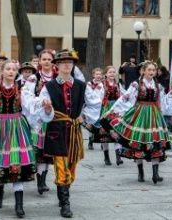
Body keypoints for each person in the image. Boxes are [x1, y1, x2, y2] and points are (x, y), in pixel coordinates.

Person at [0, 60, 53, 217]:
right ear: (1, 72)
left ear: (16, 72)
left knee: (16, 162)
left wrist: (44, 106)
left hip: (17, 129)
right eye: (7, 69)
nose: (10, 71)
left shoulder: (22, 91)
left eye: (13, 69)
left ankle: (19, 204)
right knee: (0, 161)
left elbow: (31, 107)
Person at [101, 61, 172, 184]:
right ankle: (141, 172)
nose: (151, 72)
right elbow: (125, 98)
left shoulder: (157, 85)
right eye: (149, 70)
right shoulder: (136, 84)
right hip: (140, 114)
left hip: (155, 115)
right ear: (143, 71)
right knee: (138, 142)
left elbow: (163, 101)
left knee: (156, 142)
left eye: (153, 70)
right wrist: (113, 110)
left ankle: (155, 174)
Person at [39, 48, 86, 218]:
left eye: (70, 62)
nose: (67, 64)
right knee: (61, 166)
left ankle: (63, 192)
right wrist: (47, 108)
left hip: (74, 130)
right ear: (57, 66)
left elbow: (92, 104)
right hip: (56, 130)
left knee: (72, 166)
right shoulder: (49, 86)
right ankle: (65, 203)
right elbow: (42, 109)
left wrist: (83, 116)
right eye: (63, 62)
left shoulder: (81, 85)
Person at [25, 49, 57, 195]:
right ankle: (40, 182)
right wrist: (39, 103)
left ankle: (43, 180)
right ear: (39, 61)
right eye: (44, 59)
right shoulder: (34, 78)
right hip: (38, 118)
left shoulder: (57, 77)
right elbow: (27, 96)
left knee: (49, 151)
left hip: (54, 117)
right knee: (40, 151)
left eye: (49, 59)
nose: (46, 62)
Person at [82, 66, 125, 165]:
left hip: (115, 109)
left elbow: (123, 96)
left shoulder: (118, 84)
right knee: (105, 133)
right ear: (105, 74)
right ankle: (106, 157)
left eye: (113, 72)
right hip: (106, 109)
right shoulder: (102, 84)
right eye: (110, 72)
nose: (112, 74)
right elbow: (97, 97)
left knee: (116, 131)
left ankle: (118, 156)